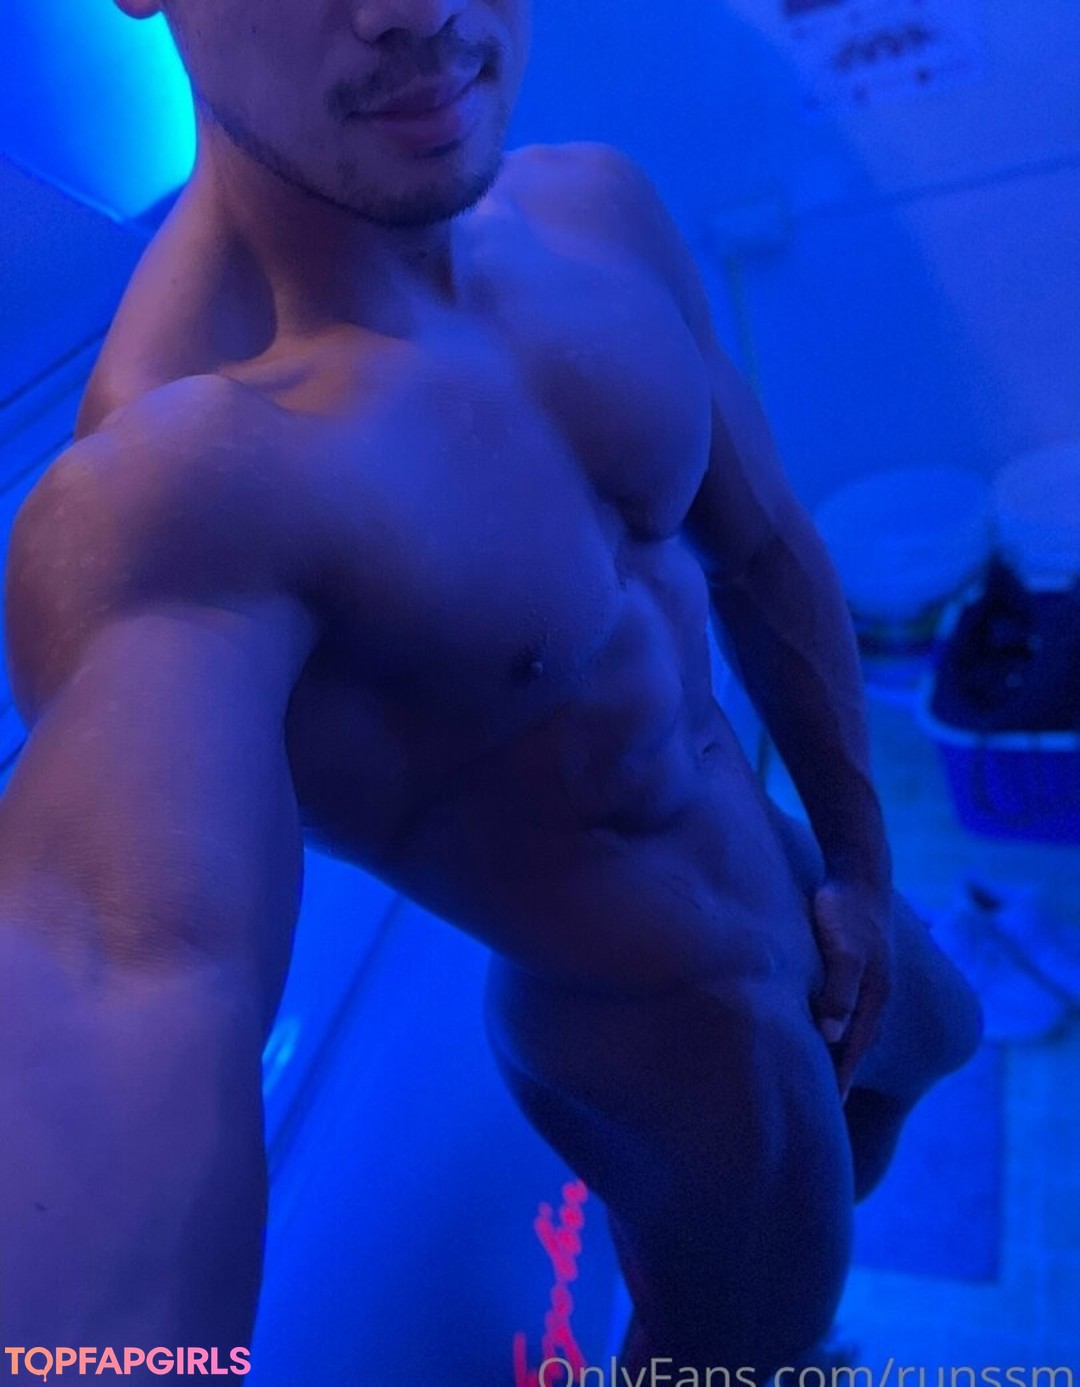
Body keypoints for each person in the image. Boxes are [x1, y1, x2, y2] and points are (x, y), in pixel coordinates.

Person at [0, 0, 983, 1377]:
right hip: (665, 1038)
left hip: (793, 875)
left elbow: (762, 552)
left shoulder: (594, 210)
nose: (416, 8)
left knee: (940, 1041)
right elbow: (127, 974)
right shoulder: (172, 486)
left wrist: (861, 869)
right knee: (747, 1334)